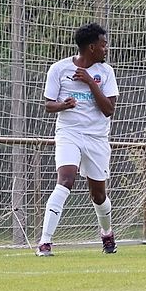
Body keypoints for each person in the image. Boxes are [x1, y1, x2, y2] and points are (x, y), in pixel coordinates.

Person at [36, 22, 119, 256]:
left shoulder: (106, 73)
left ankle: (107, 234)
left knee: (98, 195)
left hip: (97, 138)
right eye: (103, 45)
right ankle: (45, 242)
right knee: (66, 180)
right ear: (91, 47)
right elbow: (48, 105)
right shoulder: (59, 69)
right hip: (69, 134)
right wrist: (63, 105)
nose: (106, 49)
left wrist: (90, 82)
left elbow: (108, 110)